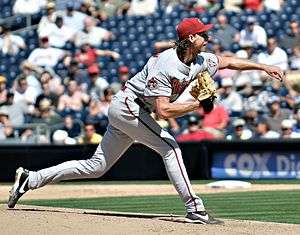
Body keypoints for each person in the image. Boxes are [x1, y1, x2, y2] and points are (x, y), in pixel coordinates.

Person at [8, 17, 284, 224]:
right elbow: (164, 111)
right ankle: (194, 208)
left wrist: (264, 66)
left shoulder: (199, 59)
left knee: (96, 167)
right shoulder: (165, 64)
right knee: (171, 147)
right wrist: (198, 103)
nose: (207, 37)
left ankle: (31, 179)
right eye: (202, 34)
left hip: (132, 110)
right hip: (128, 106)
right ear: (189, 39)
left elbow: (227, 62)